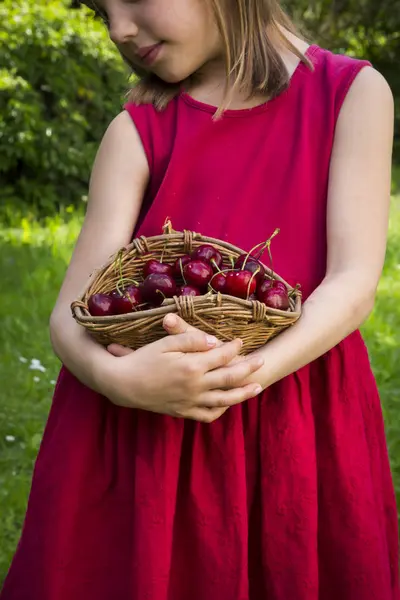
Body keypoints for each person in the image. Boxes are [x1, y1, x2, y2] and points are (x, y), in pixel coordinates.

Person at [1, 0, 398, 599]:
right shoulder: (138, 127)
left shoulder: (351, 94)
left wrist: (235, 374)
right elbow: (69, 314)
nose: (119, 29)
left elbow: (353, 281)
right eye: (101, 10)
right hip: (145, 440)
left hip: (295, 421)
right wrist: (121, 383)